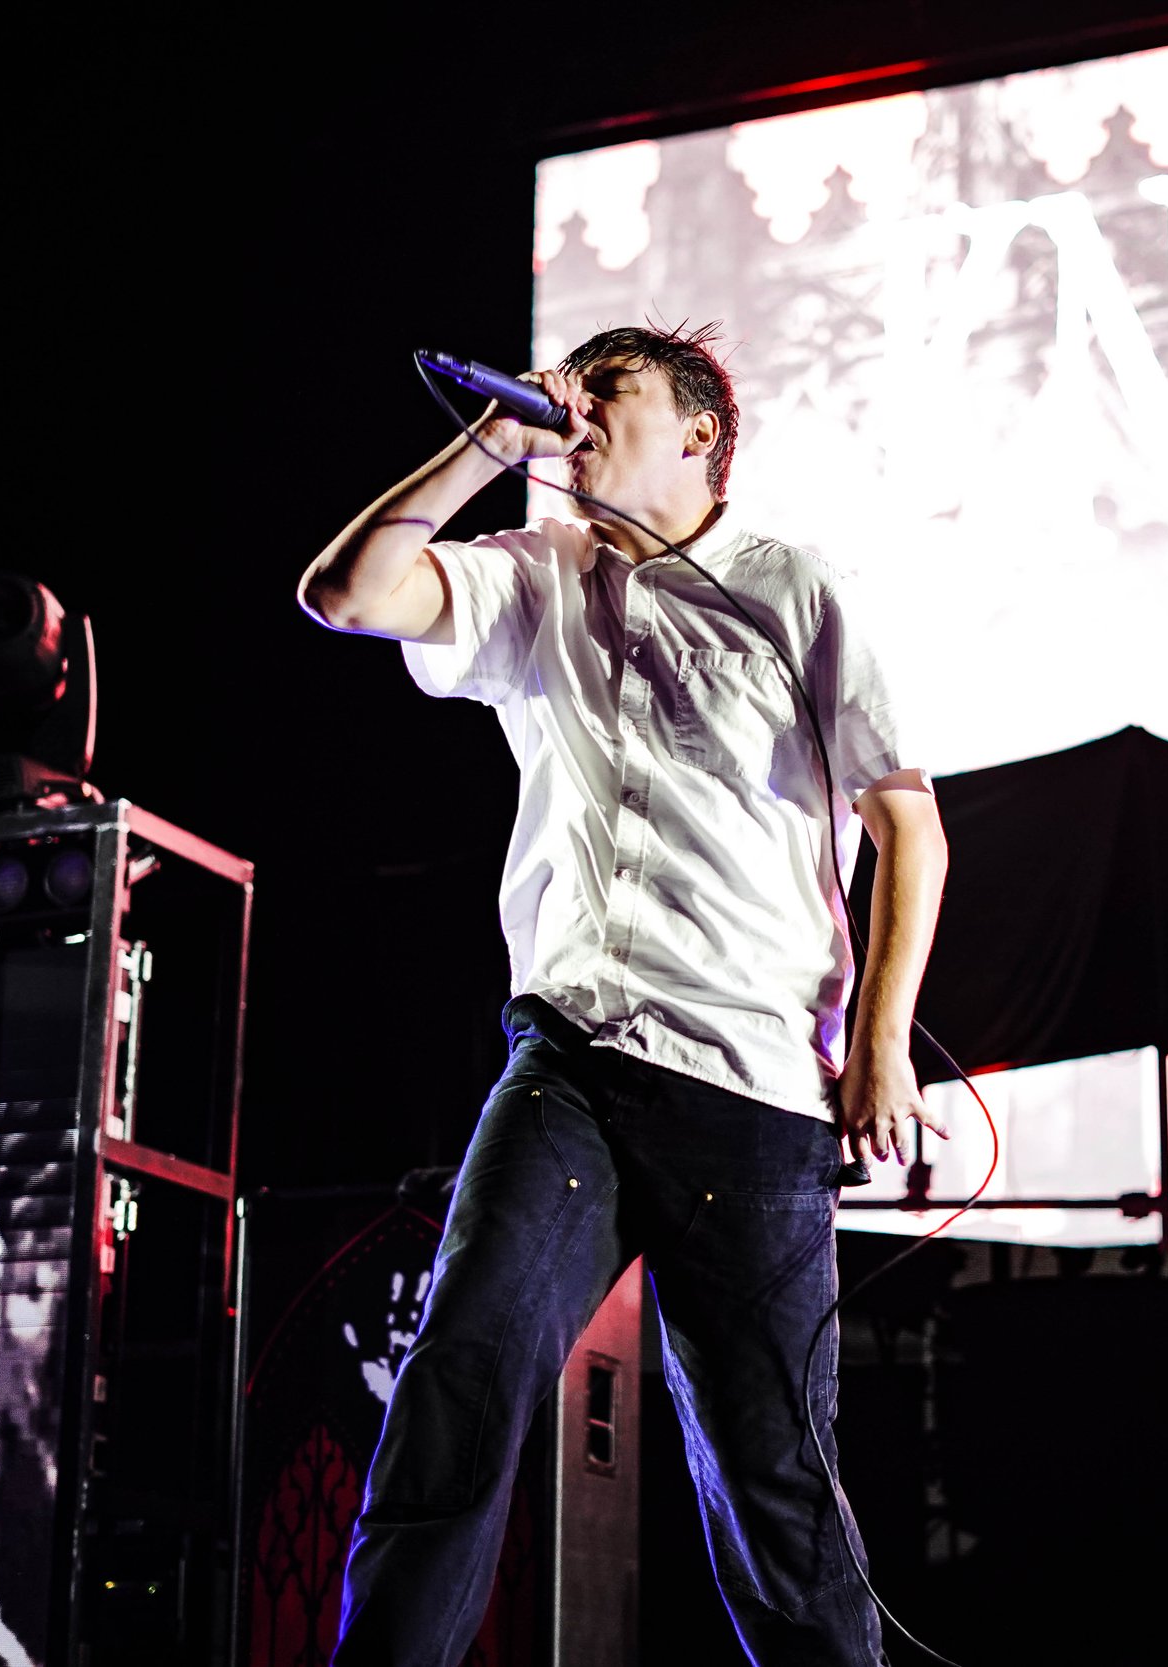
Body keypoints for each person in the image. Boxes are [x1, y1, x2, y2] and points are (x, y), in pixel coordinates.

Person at [298, 323, 948, 1665]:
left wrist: (880, 1042)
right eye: (573, 390)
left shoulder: (790, 588)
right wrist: (494, 441)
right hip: (571, 1070)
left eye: (613, 391)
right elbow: (348, 593)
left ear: (704, 431)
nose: (580, 410)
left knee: (772, 1490)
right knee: (456, 1386)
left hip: (752, 1092)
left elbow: (911, 826)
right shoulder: (536, 577)